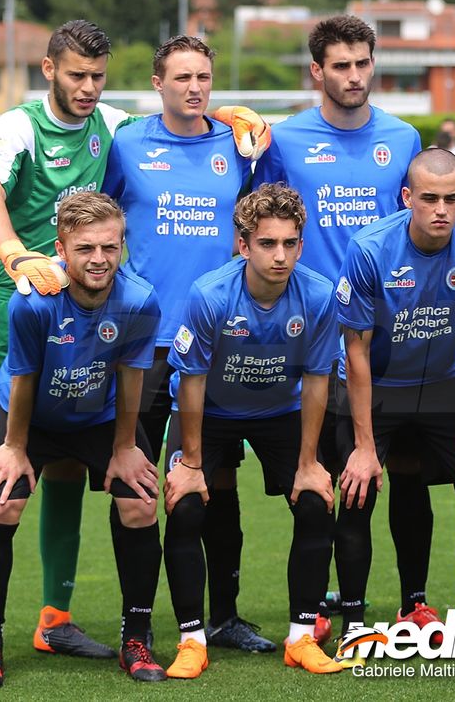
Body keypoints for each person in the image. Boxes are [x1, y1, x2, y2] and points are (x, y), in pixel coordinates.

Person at [254, 14, 438, 640]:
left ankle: (414, 600)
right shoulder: (282, 140)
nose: (354, 76)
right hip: (310, 336)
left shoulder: (404, 137)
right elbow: (257, 222)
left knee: (404, 472)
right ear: (318, 71)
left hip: (392, 338)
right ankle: (334, 602)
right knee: (326, 479)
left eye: (363, 63)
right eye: (341, 65)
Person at [100, 35, 275, 656]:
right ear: (158, 83)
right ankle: (137, 625)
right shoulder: (127, 144)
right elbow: (87, 215)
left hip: (220, 342)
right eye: (181, 78)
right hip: (144, 346)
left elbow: (268, 219)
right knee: (140, 485)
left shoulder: (239, 145)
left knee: (215, 482)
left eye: (203, 76)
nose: (194, 87)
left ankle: (222, 618)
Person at [0, 20, 129, 669]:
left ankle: (54, 620)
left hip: (78, 316)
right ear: (48, 69)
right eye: (77, 75)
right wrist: (9, 253)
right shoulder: (17, 126)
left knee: (62, 462)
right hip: (6, 309)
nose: (88, 88)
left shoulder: (113, 123)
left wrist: (225, 112)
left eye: (98, 76)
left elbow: (175, 135)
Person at [0, 192, 165, 688]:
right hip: (28, 417)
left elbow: (132, 376)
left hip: (97, 415)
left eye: (109, 248)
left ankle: (136, 638)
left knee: (140, 502)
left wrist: (124, 448)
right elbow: (23, 378)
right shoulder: (33, 301)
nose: (99, 260)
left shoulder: (140, 299)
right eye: (85, 249)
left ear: (122, 246)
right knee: (2, 503)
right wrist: (13, 448)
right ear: (61, 248)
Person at [161, 183, 343, 677]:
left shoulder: (321, 295)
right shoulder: (210, 294)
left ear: (301, 245)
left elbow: (317, 380)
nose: (279, 255)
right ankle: (192, 640)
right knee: (185, 506)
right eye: (267, 243)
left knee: (315, 501)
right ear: (243, 245)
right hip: (211, 411)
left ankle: (302, 637)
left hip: (279, 413)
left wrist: (308, 465)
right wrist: (193, 464)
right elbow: (191, 383)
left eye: (289, 243)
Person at [333, 149, 455, 641]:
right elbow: (356, 352)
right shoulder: (369, 249)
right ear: (408, 198)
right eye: (429, 198)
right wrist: (365, 449)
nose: (441, 210)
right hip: (375, 387)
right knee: (357, 492)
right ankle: (354, 624)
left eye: (452, 199)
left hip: (443, 385)